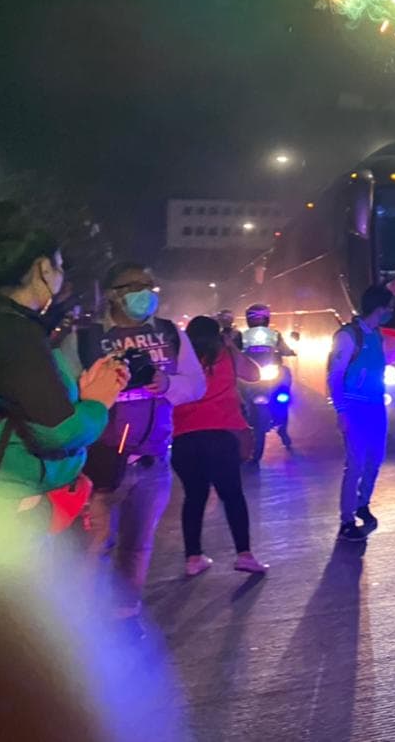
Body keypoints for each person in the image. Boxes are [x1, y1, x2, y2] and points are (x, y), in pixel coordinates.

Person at [61, 261, 206, 630]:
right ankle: (86, 624)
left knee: (138, 546)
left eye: (149, 286)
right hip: (100, 464)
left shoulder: (170, 334)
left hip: (153, 462)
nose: (145, 294)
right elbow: (62, 395)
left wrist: (166, 383)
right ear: (113, 295)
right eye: (134, 287)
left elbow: (196, 385)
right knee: (93, 547)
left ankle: (126, 613)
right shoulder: (85, 339)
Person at [0, 202, 127, 529]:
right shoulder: (10, 330)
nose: (61, 276)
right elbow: (57, 432)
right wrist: (96, 404)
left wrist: (80, 396)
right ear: (43, 268)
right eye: (59, 266)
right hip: (3, 514)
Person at [170, 316, 269, 576]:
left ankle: (193, 558)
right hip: (220, 437)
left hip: (184, 438)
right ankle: (244, 555)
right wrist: (231, 345)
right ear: (218, 336)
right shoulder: (227, 355)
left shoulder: (177, 360)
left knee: (194, 497)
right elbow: (254, 374)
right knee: (232, 496)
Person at [327, 284, 395, 542]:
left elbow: (382, 362)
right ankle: (346, 521)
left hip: (376, 406)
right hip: (355, 408)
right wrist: (341, 411)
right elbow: (334, 375)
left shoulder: (376, 335)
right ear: (379, 308)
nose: (391, 312)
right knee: (355, 464)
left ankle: (363, 504)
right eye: (389, 307)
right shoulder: (348, 336)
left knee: (375, 459)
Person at [241, 303, 296, 456]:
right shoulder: (241, 336)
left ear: (266, 319)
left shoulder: (275, 335)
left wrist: (289, 351)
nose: (257, 321)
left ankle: (283, 427)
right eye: (253, 318)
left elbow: (284, 348)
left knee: (285, 377)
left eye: (259, 318)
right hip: (251, 373)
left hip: (271, 370)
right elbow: (234, 350)